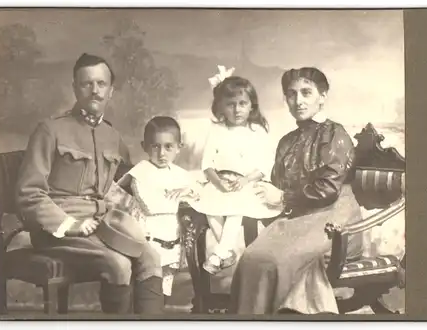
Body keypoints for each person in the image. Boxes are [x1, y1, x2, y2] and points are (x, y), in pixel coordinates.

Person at [15, 53, 164, 314]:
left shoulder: (112, 136)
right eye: (87, 84)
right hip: (58, 229)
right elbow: (29, 194)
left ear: (111, 91)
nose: (95, 90)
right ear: (75, 88)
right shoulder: (50, 130)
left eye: (101, 84)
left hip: (103, 225)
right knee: (118, 264)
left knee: (151, 258)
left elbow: (126, 184)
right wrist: (71, 224)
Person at [228, 67, 364, 314]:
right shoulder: (287, 141)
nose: (298, 101)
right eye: (291, 94)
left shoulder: (335, 134)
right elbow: (277, 186)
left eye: (306, 93)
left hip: (336, 220)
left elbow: (328, 189)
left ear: (322, 96)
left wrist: (281, 197)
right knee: (251, 258)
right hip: (297, 218)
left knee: (276, 261)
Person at [198, 72, 283, 275]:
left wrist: (245, 179)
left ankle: (219, 253)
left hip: (248, 183)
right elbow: (207, 163)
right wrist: (217, 182)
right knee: (210, 206)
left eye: (242, 103)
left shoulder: (257, 131)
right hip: (221, 181)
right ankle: (228, 250)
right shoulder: (216, 130)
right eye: (231, 104)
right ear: (221, 107)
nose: (237, 109)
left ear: (251, 105)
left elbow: (265, 164)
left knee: (236, 208)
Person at [118, 116, 201, 301]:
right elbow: (151, 205)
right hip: (148, 243)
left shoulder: (180, 174)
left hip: (171, 242)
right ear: (145, 146)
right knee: (145, 292)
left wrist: (188, 191)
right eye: (155, 146)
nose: (162, 153)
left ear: (179, 147)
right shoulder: (141, 172)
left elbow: (200, 192)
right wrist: (183, 199)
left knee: (162, 296)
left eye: (168, 147)